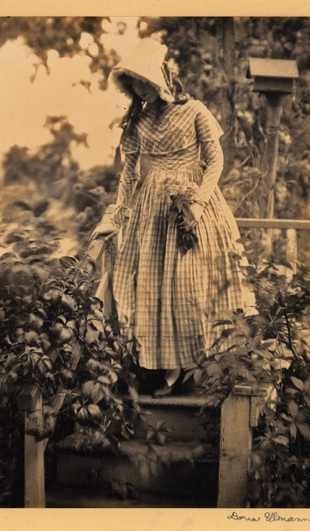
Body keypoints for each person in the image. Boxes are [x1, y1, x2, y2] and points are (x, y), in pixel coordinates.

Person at [91, 38, 255, 397]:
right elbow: (129, 175)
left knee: (189, 285)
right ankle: (162, 368)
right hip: (152, 208)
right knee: (152, 286)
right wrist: (118, 215)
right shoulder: (137, 120)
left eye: (145, 80)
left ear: (163, 78)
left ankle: (198, 368)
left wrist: (196, 202)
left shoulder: (194, 110)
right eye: (133, 82)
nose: (140, 88)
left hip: (195, 203)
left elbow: (216, 162)